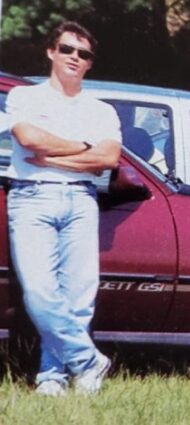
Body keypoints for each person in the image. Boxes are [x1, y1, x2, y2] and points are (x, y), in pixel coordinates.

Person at [5, 21, 122, 396]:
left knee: (79, 297)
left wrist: (54, 157)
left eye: (83, 54)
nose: (75, 57)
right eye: (67, 49)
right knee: (40, 292)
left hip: (81, 200)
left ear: (90, 63)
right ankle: (88, 361)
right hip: (31, 198)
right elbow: (28, 138)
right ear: (51, 52)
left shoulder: (102, 110)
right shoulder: (25, 97)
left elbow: (109, 158)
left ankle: (53, 377)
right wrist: (84, 147)